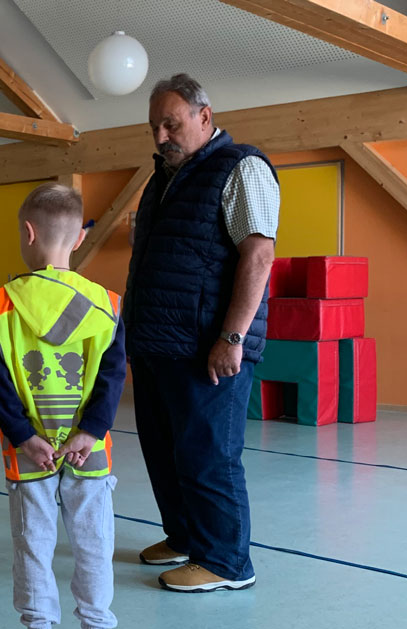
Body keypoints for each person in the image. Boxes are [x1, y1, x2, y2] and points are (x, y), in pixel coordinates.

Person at [124, 73, 278, 593]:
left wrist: (232, 338)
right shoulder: (164, 180)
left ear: (204, 116)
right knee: (165, 452)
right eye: (154, 127)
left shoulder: (240, 168)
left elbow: (258, 255)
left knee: (209, 455)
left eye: (170, 124)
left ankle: (228, 562)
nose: (160, 136)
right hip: (159, 347)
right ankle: (187, 537)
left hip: (207, 348)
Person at [0, 183, 126, 629]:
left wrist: (23, 436)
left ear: (28, 233)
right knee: (94, 544)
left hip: (30, 453)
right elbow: (112, 376)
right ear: (79, 238)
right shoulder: (106, 304)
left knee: (33, 543)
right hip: (90, 453)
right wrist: (90, 431)